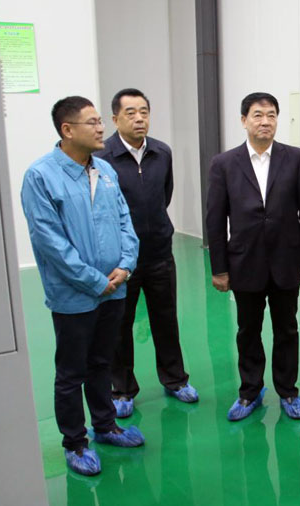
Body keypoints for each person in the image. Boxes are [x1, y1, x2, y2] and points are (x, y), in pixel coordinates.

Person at [21, 96, 145, 476]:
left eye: (99, 121)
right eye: (92, 122)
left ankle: (105, 426)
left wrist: (125, 266)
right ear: (67, 130)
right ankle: (75, 442)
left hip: (114, 288)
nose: (101, 128)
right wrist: (94, 281)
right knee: (71, 372)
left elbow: (125, 222)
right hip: (74, 295)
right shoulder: (40, 176)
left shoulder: (105, 171)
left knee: (102, 363)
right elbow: (50, 242)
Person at [205, 92, 300, 421]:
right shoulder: (224, 164)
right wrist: (219, 268)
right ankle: (250, 391)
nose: (265, 121)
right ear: (244, 121)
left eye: (271, 115)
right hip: (244, 262)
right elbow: (215, 219)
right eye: (257, 115)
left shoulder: (296, 158)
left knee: (287, 330)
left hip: (287, 261)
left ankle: (288, 391)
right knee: (248, 330)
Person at [95, 88, 198, 419]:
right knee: (119, 325)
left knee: (166, 319)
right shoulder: (102, 158)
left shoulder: (161, 152)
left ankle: (175, 379)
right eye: (131, 113)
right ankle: (122, 389)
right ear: (115, 119)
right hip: (119, 259)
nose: (139, 118)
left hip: (159, 253)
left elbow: (163, 196)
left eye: (144, 112)